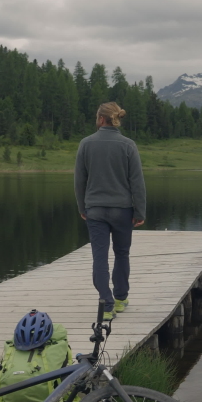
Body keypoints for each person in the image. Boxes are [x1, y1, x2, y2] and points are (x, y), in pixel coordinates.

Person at [74, 102, 146, 321]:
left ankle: (106, 304)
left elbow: (79, 181)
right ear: (116, 119)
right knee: (122, 253)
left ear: (101, 119)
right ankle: (121, 298)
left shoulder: (86, 144)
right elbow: (137, 182)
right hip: (123, 210)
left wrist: (82, 207)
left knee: (99, 257)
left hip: (95, 210)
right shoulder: (128, 145)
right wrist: (140, 211)